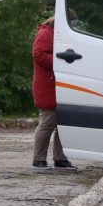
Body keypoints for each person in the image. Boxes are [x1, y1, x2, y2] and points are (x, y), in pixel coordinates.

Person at [31, 16, 74, 170]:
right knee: (48, 122)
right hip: (47, 85)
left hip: (55, 85)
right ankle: (39, 158)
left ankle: (60, 158)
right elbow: (38, 54)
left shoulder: (54, 34)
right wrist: (62, 62)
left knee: (62, 124)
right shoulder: (46, 34)